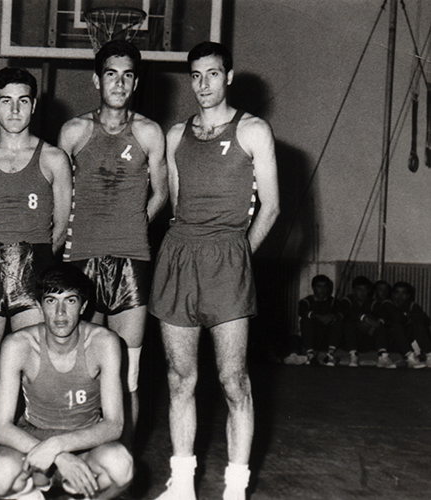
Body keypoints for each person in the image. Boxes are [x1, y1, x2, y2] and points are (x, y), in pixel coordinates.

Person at [149, 42, 280, 500]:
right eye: (196, 75)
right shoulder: (176, 135)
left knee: (232, 380)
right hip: (180, 256)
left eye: (212, 74)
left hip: (228, 259)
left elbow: (271, 207)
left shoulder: (254, 130)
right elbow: (176, 204)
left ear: (228, 77)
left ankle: (235, 488)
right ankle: (182, 484)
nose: (203, 84)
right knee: (179, 377)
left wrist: (240, 255)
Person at [0, 67, 72, 500]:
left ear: (34, 105)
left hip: (33, 274)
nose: (15, 109)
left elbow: (60, 229)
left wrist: (29, 266)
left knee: (35, 381)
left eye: (23, 100)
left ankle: (34, 479)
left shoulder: (53, 159)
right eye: (6, 100)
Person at [58, 40, 168, 431]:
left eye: (127, 76)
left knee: (127, 373)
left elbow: (162, 193)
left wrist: (134, 222)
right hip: (80, 257)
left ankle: (123, 461)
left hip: (131, 259)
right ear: (96, 80)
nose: (119, 83)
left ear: (135, 82)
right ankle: (78, 453)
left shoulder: (149, 132)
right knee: (83, 368)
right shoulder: (74, 131)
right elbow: (58, 192)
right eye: (111, 74)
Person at [0, 265, 133, 500]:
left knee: (120, 465)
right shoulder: (18, 345)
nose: (60, 312)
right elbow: (0, 427)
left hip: (85, 447)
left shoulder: (103, 342)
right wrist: (59, 456)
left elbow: (114, 424)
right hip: (34, 446)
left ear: (83, 306)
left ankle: (79, 494)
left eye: (70, 301)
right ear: (39, 306)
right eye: (51, 301)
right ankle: (32, 493)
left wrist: (58, 446)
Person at [339, 276, 395, 368]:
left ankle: (382, 356)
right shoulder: (347, 300)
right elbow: (346, 312)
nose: (363, 292)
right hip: (349, 340)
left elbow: (382, 315)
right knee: (348, 322)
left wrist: (377, 324)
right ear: (353, 290)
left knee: (381, 325)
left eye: (365, 289)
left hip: (367, 337)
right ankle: (353, 356)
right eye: (359, 289)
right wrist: (364, 318)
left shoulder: (372, 302)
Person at [297, 275, 345, 366]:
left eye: (325, 286)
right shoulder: (306, 301)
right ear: (313, 288)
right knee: (305, 320)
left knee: (339, 321)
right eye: (319, 286)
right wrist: (317, 316)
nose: (322, 289)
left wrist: (334, 317)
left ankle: (330, 355)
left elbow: (342, 313)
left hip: (328, 340)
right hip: (313, 339)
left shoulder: (333, 302)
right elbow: (302, 311)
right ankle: (310, 355)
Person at [383, 281, 431, 369]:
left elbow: (425, 319)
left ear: (408, 295)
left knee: (418, 324)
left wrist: (407, 315)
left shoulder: (411, 305)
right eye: (397, 293)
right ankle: (410, 357)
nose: (400, 296)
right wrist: (408, 316)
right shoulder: (387, 303)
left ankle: (429, 355)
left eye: (403, 293)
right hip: (390, 340)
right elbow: (396, 316)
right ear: (392, 294)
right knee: (395, 325)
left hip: (407, 339)